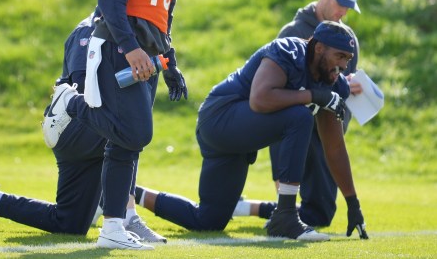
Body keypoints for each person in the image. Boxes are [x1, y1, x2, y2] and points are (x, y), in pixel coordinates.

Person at [41, 0, 189, 250]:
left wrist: (169, 62)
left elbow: (163, 16)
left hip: (148, 52)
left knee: (126, 145)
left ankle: (115, 227)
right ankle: (69, 102)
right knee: (135, 132)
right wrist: (130, 48)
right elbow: (110, 1)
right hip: (118, 48)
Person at [133, 21, 370, 241]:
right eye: (339, 56)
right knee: (300, 116)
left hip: (239, 138)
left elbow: (335, 147)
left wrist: (353, 203)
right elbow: (260, 99)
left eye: (348, 59)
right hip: (220, 119)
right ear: (319, 48)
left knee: (208, 220)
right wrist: (311, 95)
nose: (343, 65)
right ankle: (285, 215)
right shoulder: (287, 51)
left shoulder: (333, 83)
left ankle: (124, 194)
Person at [0, 9, 166, 243]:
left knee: (69, 223)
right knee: (129, 128)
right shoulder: (89, 31)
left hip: (90, 131)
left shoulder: (123, 32)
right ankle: (126, 217)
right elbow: (81, 91)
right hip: (73, 126)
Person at [269, 0, 362, 227]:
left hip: (326, 129)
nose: (343, 12)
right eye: (340, 3)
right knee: (292, 201)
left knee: (321, 215)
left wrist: (350, 84)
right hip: (295, 123)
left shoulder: (348, 38)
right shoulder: (293, 31)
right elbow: (277, 91)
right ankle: (281, 209)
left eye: (349, 7)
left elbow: (341, 82)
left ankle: (260, 209)